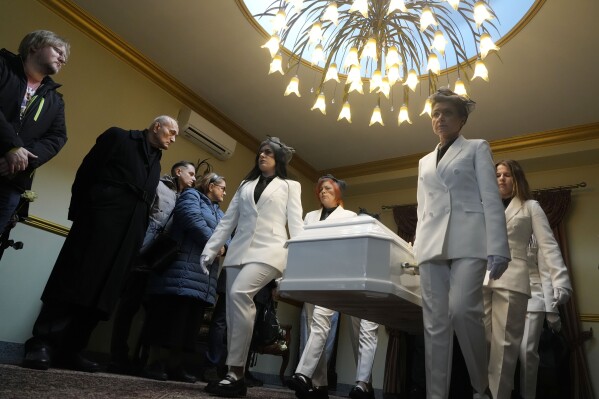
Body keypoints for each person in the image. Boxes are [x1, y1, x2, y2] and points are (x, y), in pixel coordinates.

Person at [22, 115, 179, 372]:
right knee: (73, 280)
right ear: (156, 126)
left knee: (103, 293)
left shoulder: (156, 162)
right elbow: (87, 172)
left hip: (127, 237)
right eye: (171, 132)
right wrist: (82, 215)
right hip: (97, 223)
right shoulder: (119, 136)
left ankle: (72, 349)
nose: (173, 138)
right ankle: (42, 344)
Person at [413, 88, 510, 399]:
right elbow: (421, 208)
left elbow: (491, 198)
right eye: (435, 113)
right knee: (434, 323)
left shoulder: (476, 148)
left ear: (462, 119)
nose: (440, 118)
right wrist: (417, 252)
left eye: (447, 113)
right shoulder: (424, 161)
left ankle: (480, 386)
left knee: (462, 310)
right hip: (430, 244)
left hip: (469, 237)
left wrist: (498, 246)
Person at [201, 136, 303, 397]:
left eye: (269, 153)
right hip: (238, 252)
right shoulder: (246, 185)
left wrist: (293, 269)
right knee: (233, 312)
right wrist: (211, 250)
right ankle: (234, 375)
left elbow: (297, 227)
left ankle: (236, 373)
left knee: (239, 294)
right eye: (261, 152)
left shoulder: (291, 186)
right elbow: (228, 222)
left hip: (270, 252)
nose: (262, 155)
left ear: (278, 159)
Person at [486, 159, 572, 399]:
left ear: (517, 179)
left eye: (507, 174)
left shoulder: (530, 206)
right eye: (497, 175)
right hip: (484, 281)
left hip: (519, 283)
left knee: (519, 351)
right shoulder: (487, 207)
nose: (501, 178)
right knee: (488, 345)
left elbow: (548, 246)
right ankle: (497, 389)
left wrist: (560, 281)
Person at [288, 175, 379, 399]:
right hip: (311, 277)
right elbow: (300, 244)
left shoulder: (349, 217)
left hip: (334, 276)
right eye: (320, 189)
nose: (323, 192)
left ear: (338, 193)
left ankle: (303, 374)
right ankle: (319, 385)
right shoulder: (309, 216)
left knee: (321, 323)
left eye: (328, 189)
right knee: (313, 328)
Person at [108, 160, 196, 373]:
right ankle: (118, 356)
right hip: (143, 254)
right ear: (178, 171)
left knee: (154, 313)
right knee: (129, 306)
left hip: (165, 261)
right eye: (191, 173)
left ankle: (144, 359)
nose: (194, 178)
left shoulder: (189, 199)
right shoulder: (158, 187)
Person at [140, 172, 228, 383]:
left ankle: (175, 365)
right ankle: (156, 363)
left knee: (188, 324)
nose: (225, 191)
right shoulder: (192, 196)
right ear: (210, 186)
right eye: (222, 187)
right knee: (170, 318)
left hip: (203, 278)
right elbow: (191, 218)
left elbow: (229, 235)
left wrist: (225, 247)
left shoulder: (221, 212)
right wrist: (216, 245)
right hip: (180, 270)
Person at [0, 30, 70, 233]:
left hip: (12, 181)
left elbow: (57, 138)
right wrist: (12, 146)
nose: (63, 58)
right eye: (58, 51)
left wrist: (21, 159)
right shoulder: (3, 65)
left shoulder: (55, 100)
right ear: (34, 46)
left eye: (64, 56)